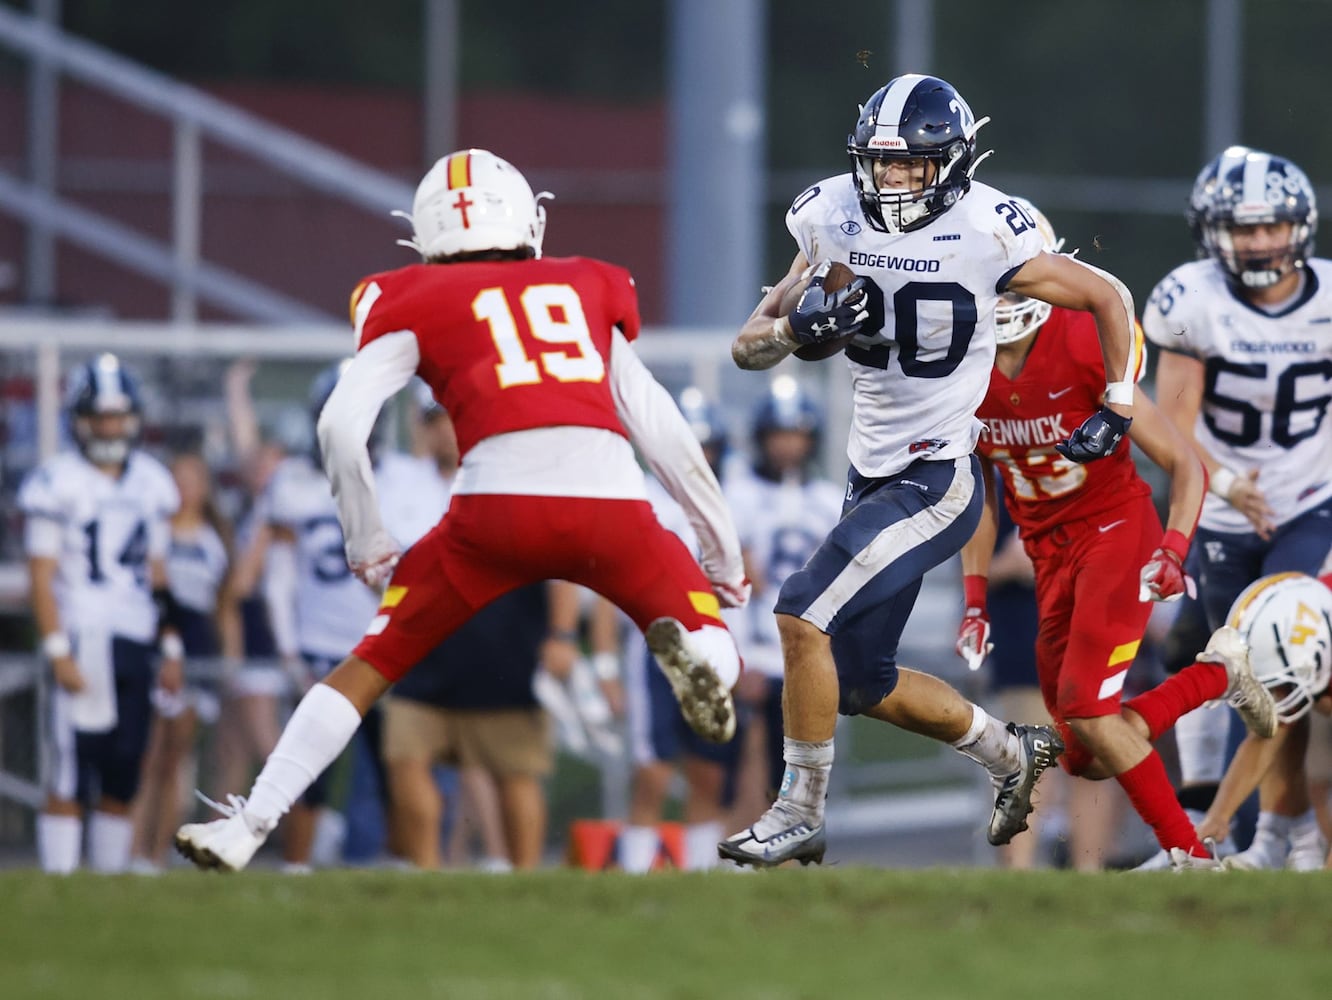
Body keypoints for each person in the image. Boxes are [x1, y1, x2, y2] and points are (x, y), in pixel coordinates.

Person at [175, 148, 747, 872]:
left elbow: (339, 427)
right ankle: (701, 662)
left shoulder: (409, 295)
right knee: (705, 625)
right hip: (610, 502)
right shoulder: (586, 284)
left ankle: (248, 825)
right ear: (527, 218)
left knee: (371, 663)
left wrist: (367, 537)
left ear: (424, 235)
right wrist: (720, 552)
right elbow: (663, 429)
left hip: (493, 510)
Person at [721, 73, 1141, 868]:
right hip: (868, 472)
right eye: (880, 165)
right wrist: (797, 328)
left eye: (911, 166)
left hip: (939, 477)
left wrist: (1118, 402)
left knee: (800, 613)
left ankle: (798, 810)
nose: (893, 181)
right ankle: (1009, 754)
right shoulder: (832, 218)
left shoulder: (990, 230)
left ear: (950, 164)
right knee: (859, 681)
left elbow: (1109, 296)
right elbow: (749, 344)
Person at [956, 198, 1276, 871]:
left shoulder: (1080, 338)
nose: (1008, 294)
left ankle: (1192, 856)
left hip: (1115, 531)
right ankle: (1218, 675)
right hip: (1048, 553)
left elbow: (1183, 463)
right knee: (1080, 754)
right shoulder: (960, 368)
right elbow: (977, 499)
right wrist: (976, 597)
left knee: (1087, 710)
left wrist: (1174, 548)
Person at [1142, 146, 1332, 856]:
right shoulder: (1195, 299)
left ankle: (1244, 836)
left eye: (1270, 227)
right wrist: (1223, 482)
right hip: (1221, 505)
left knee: (1268, 658)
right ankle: (1250, 830)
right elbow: (1169, 426)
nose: (1257, 242)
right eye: (1242, 228)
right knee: (1222, 661)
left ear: (1300, 227)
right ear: (1212, 231)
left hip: (1312, 500)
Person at [18, 353, 183, 873]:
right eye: (100, 417)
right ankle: (60, 881)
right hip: (81, 635)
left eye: (117, 416)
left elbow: (157, 574)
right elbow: (41, 574)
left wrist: (171, 644)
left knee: (123, 768)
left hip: (134, 636)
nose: (110, 427)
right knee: (70, 770)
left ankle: (108, 887)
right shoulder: (57, 480)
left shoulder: (151, 482)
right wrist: (56, 648)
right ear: (79, 421)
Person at [618, 388, 745, 873]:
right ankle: (635, 875)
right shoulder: (640, 499)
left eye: (705, 446)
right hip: (654, 646)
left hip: (713, 642)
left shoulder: (728, 499)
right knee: (651, 772)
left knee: (708, 771)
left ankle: (697, 877)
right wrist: (606, 663)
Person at [725, 377, 843, 831]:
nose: (787, 447)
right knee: (746, 764)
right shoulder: (739, 496)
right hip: (754, 646)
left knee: (798, 765)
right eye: (778, 435)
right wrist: (735, 657)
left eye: (796, 435)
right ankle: (741, 852)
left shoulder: (827, 501)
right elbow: (731, 587)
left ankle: (787, 855)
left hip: (804, 655)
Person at [130, 452, 233, 873]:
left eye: (193, 480)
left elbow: (223, 605)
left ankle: (158, 853)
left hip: (198, 646)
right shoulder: (155, 533)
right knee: (149, 754)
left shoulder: (214, 540)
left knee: (176, 756)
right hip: (159, 638)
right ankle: (132, 851)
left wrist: (229, 656)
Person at [1194, 572, 1332, 870]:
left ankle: (1304, 848)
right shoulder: (1309, 613)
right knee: (1285, 712)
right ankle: (1280, 843)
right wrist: (1217, 817)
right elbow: (1270, 731)